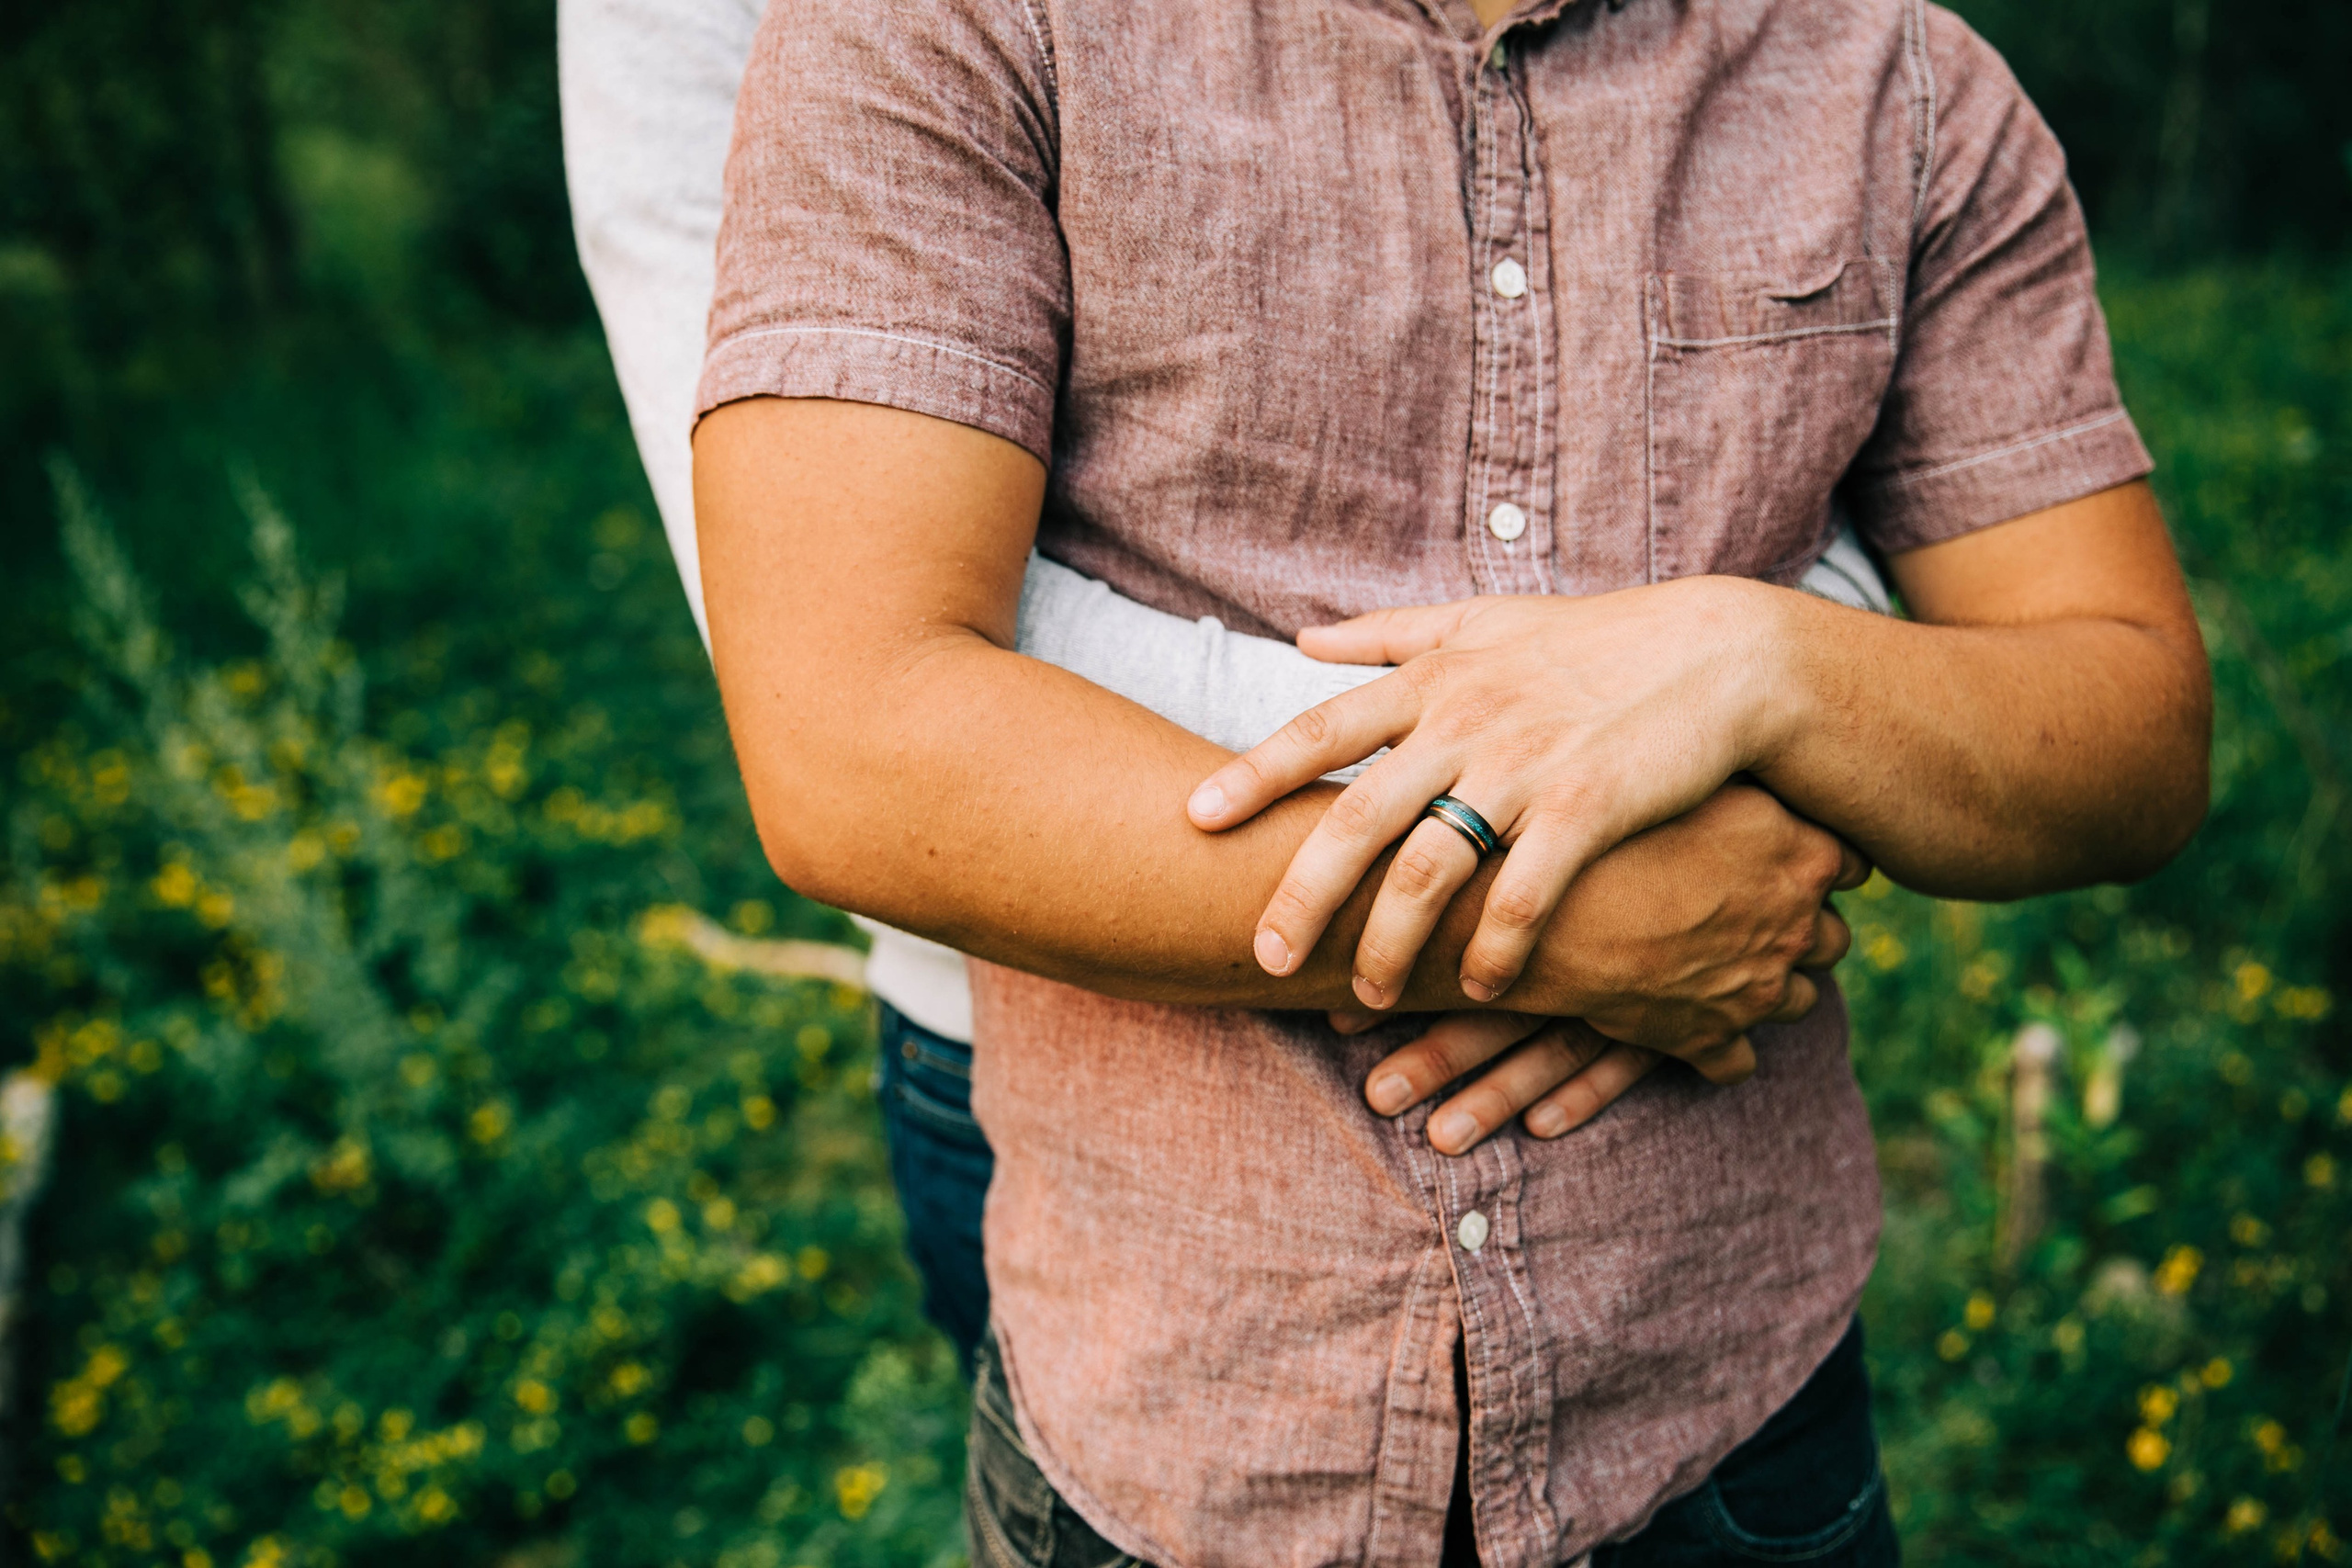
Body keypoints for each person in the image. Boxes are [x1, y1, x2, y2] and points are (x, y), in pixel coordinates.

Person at [559, 0, 1888, 1373]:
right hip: (1066, 1001)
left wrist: (1741, 699)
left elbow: (1829, 474)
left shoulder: (1856, 70)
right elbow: (830, 627)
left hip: (1690, 1136)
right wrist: (1565, 885)